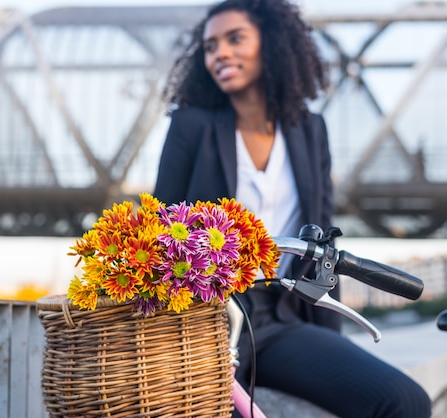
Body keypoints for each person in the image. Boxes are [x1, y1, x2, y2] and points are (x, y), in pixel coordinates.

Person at [153, 0, 432, 417]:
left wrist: (331, 338)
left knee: (404, 401)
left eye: (235, 39)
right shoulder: (191, 125)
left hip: (279, 317)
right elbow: (157, 230)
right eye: (210, 46)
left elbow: (323, 244)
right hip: (205, 321)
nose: (220, 53)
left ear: (273, 44)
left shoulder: (309, 129)